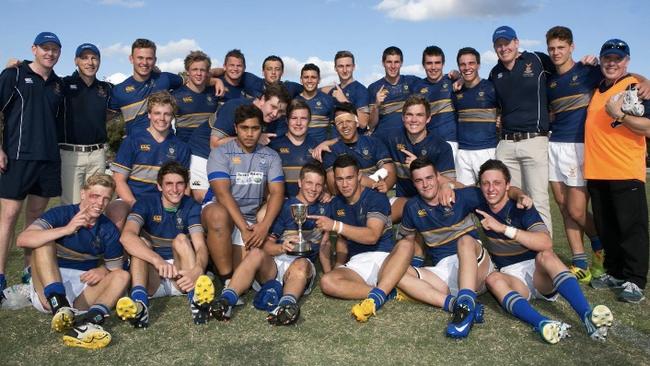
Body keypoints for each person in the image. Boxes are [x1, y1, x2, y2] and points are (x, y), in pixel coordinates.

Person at [478, 159, 613, 344]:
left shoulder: (521, 205)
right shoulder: (479, 201)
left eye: (497, 183)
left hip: (539, 274)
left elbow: (545, 242)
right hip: (513, 279)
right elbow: (456, 188)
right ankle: (542, 323)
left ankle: (587, 314)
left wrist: (504, 228)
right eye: (485, 183)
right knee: (492, 279)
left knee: (546, 254)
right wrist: (449, 185)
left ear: (508, 185)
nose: (491, 189)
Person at [16, 173, 129, 349]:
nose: (100, 203)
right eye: (95, 196)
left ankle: (89, 322)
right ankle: (59, 306)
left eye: (106, 199)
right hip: (48, 286)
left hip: (82, 292)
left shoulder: (108, 229)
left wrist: (103, 270)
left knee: (122, 276)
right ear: (83, 193)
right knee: (43, 243)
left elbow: (115, 269)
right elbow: (22, 240)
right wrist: (67, 229)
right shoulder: (61, 213)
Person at [210, 162, 331, 324]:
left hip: (301, 268)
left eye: (318, 185)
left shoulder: (327, 207)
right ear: (300, 183)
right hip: (274, 265)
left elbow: (327, 242)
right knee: (255, 253)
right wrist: (282, 247)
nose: (313, 189)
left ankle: (285, 307)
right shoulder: (284, 206)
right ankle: (226, 300)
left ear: (323, 187)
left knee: (301, 264)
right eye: (309, 183)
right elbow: (266, 245)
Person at [396, 157, 494, 338]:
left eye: (429, 178)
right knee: (398, 273)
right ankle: (456, 304)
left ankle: (463, 314)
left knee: (463, 241)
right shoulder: (412, 207)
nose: (425, 185)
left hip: (475, 264)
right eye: (419, 180)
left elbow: (498, 192)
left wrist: (519, 195)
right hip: (444, 272)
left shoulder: (461, 196)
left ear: (438, 177)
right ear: (413, 183)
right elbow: (409, 241)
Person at [0, 32, 65, 299]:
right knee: (8, 218)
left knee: (36, 219)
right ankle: (0, 277)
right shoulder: (13, 75)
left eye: (54, 49)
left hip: (48, 159)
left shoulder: (58, 85)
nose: (49, 53)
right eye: (45, 48)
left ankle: (29, 271)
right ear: (34, 49)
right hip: (18, 157)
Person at [585, 39, 650, 303]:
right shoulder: (599, 86)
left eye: (617, 59)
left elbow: (647, 126)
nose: (612, 63)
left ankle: (636, 279)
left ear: (627, 61)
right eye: (607, 58)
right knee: (608, 227)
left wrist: (620, 116)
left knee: (631, 229)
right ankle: (615, 271)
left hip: (625, 170)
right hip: (598, 170)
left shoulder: (635, 87)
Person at [315, 155, 413, 322]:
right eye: (339, 179)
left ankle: (381, 290)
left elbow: (372, 236)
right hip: (357, 264)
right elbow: (334, 241)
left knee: (405, 245)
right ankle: (385, 292)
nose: (344, 184)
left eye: (349, 178)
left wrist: (336, 226)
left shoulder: (376, 197)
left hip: (384, 259)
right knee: (327, 282)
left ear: (359, 176)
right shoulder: (336, 204)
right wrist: (335, 266)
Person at [116, 162, 212, 327]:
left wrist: (197, 270)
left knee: (182, 239)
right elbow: (126, 237)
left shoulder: (191, 205)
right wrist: (156, 260)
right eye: (169, 184)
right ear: (159, 186)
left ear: (186, 185)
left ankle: (196, 300)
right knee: (142, 242)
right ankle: (140, 305)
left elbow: (200, 246)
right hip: (152, 278)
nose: (175, 189)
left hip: (181, 276)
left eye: (179, 183)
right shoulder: (145, 202)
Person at [545, 26, 604, 283]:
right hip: (553, 145)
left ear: (572, 47)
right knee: (562, 205)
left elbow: (622, 75)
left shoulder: (588, 72)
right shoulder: (550, 81)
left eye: (561, 47)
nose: (556, 53)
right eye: (552, 48)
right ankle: (579, 260)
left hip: (578, 146)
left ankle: (601, 245)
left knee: (577, 210)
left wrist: (644, 81)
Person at [202, 104, 285, 287]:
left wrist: (264, 226)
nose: (249, 134)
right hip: (222, 212)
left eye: (255, 128)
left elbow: (277, 192)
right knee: (218, 215)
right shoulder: (220, 153)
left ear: (261, 129)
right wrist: (243, 228)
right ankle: (227, 280)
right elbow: (222, 194)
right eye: (244, 128)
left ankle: (217, 262)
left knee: (253, 268)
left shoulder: (271, 156)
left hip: (250, 218)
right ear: (235, 128)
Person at [489, 26, 554, 231]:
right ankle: (519, 254)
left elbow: (566, 69)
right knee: (509, 198)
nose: (503, 48)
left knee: (538, 199)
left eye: (507, 43)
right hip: (506, 144)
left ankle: (545, 255)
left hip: (534, 140)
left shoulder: (537, 60)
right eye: (499, 45)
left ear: (516, 42)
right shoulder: (494, 73)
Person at [108, 91, 191, 229]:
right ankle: (117, 250)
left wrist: (177, 206)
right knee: (116, 210)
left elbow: (185, 185)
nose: (162, 118)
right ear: (149, 114)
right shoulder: (132, 140)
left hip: (165, 203)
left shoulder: (181, 147)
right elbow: (118, 180)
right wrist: (135, 205)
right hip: (132, 199)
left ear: (172, 117)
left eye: (167, 114)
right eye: (157, 113)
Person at [382, 95, 456, 223]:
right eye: (409, 115)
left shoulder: (441, 146)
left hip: (433, 202)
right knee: (378, 220)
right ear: (403, 118)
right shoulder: (391, 139)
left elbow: (450, 183)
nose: (414, 120)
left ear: (428, 119)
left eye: (420, 115)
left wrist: (420, 167)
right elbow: (365, 143)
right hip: (404, 201)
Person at [58, 43, 113, 206]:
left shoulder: (106, 88)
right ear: (76, 61)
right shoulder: (63, 84)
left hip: (98, 154)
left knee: (97, 204)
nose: (90, 62)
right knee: (73, 205)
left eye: (94, 58)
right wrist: (17, 66)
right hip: (70, 154)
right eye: (85, 58)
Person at [108, 39, 183, 136]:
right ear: (131, 59)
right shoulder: (119, 90)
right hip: (136, 148)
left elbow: (190, 82)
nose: (145, 62)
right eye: (140, 58)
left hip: (166, 146)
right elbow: (105, 118)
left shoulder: (165, 79)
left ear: (155, 60)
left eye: (149, 58)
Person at [321, 103, 396, 195]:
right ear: (335, 126)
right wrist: (368, 182)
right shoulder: (331, 151)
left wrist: (386, 185)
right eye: (339, 122)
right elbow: (334, 189)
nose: (344, 125)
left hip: (376, 196)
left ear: (356, 122)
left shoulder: (374, 143)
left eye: (348, 120)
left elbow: (389, 171)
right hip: (347, 202)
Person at [452, 47, 498, 186]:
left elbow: (506, 110)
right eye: (463, 64)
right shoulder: (455, 91)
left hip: (487, 150)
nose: (467, 68)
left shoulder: (491, 87)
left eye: (471, 63)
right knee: (465, 196)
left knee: (491, 195)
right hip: (463, 152)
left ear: (478, 65)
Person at [268, 99, 320, 198]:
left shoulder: (317, 146)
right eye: (294, 118)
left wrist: (325, 192)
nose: (298, 123)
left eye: (303, 118)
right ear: (287, 120)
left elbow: (322, 180)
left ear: (309, 121)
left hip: (309, 203)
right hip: (280, 204)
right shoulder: (274, 145)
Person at [368, 46, 422, 137]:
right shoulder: (373, 88)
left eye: (396, 62)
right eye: (389, 62)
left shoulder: (412, 82)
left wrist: (453, 76)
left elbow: (433, 81)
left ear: (401, 63)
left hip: (406, 140)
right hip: (382, 140)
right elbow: (371, 125)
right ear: (383, 63)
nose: (393, 66)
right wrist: (376, 106)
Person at [417, 46, 459, 158]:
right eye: (429, 63)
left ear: (443, 64)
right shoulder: (417, 87)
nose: (433, 67)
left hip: (452, 143)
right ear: (423, 65)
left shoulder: (453, 81)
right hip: (428, 144)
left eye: (437, 63)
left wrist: (460, 75)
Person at [172, 51, 218, 143]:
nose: (199, 73)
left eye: (202, 70)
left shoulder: (215, 93)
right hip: (185, 150)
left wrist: (218, 81)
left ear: (208, 72)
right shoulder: (176, 95)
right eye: (195, 69)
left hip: (207, 150)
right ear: (187, 72)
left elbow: (226, 71)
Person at [321, 50, 370, 130]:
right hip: (335, 139)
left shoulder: (360, 90)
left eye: (348, 66)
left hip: (353, 141)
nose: (344, 70)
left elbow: (363, 123)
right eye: (340, 66)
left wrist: (344, 100)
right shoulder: (333, 91)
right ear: (335, 68)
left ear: (353, 67)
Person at [295, 63, 336, 144]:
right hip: (299, 149)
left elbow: (335, 128)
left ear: (319, 80)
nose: (309, 80)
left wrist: (329, 143)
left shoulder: (328, 100)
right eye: (306, 77)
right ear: (301, 80)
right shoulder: (294, 100)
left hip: (322, 151)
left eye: (313, 77)